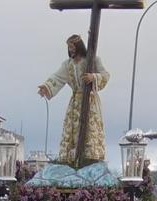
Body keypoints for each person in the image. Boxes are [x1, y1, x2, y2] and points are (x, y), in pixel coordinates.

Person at [37, 34, 110, 164]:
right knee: (72, 127)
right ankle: (73, 157)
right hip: (75, 101)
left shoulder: (92, 60)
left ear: (79, 46)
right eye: (69, 47)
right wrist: (46, 86)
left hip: (89, 100)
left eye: (73, 47)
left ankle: (90, 156)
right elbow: (57, 77)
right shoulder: (68, 64)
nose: (71, 50)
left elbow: (105, 75)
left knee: (89, 127)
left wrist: (94, 77)